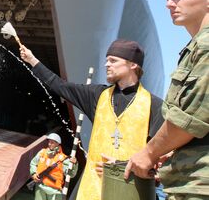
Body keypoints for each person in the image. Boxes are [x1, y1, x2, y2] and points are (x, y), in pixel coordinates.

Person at [20, 39, 164, 200]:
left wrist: (124, 167)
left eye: (113, 60)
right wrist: (32, 60)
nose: (106, 64)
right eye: (106, 60)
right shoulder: (97, 96)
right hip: (93, 189)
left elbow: (164, 155)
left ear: (133, 65)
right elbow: (60, 86)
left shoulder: (154, 105)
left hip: (132, 192)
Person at [125, 0, 209, 199]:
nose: (169, 4)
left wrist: (149, 153)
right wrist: (170, 148)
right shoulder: (196, 46)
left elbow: (190, 119)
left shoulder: (206, 45)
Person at [30, 133, 78, 200]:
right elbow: (33, 163)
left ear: (58, 143)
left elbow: (71, 174)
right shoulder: (42, 152)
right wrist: (34, 174)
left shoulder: (63, 158)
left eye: (52, 142)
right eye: (49, 142)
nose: (49, 144)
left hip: (54, 190)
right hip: (40, 186)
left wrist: (74, 164)